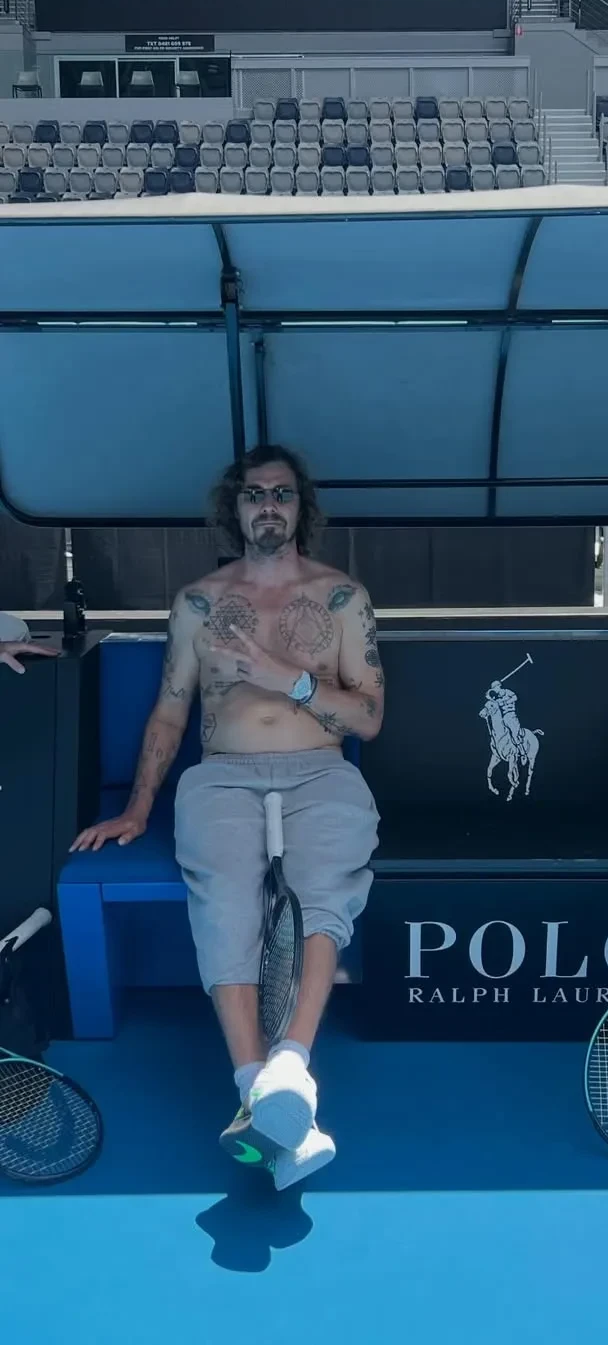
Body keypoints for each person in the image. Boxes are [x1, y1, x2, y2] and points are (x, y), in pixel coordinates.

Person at [70, 445, 383, 1189]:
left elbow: (368, 718)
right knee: (225, 903)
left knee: (324, 890)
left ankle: (289, 1067)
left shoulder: (342, 598)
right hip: (223, 775)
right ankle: (261, 1087)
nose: (267, 505)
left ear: (301, 506)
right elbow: (169, 711)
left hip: (320, 771)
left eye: (281, 493)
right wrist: (137, 808)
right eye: (253, 494)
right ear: (234, 508)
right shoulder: (198, 604)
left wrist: (288, 680)